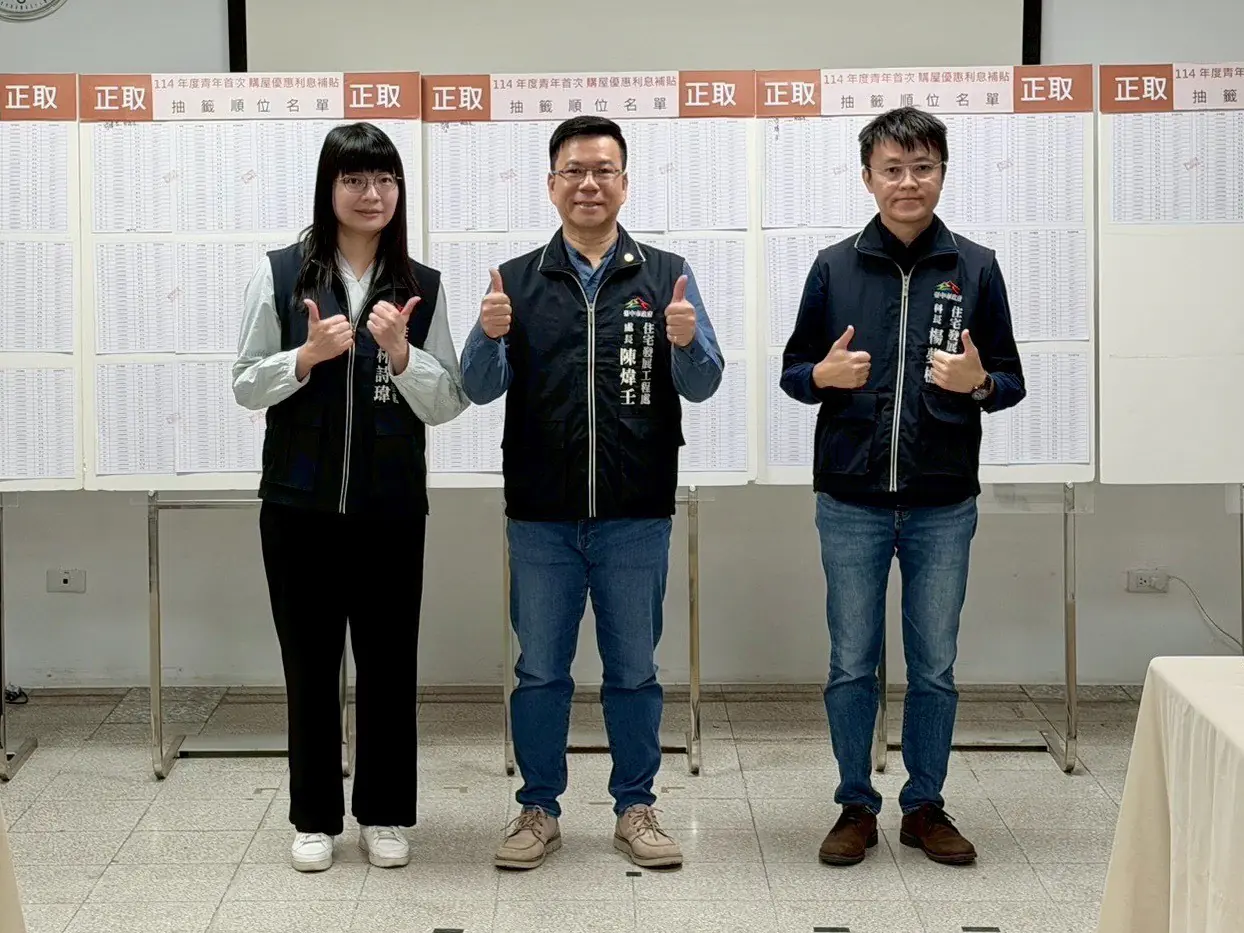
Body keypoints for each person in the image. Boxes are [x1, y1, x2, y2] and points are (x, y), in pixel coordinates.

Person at [459, 115, 724, 871]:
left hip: (635, 512)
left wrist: (686, 341)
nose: (588, 184)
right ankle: (538, 809)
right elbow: (478, 387)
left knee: (633, 669)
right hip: (540, 513)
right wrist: (487, 334)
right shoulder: (514, 280)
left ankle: (635, 807)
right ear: (551, 185)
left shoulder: (667, 274)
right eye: (573, 171)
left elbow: (704, 383)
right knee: (541, 670)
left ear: (624, 184)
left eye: (603, 170)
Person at [779, 107, 1025, 867]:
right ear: (868, 178)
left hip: (942, 501)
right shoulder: (834, 267)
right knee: (852, 661)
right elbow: (793, 373)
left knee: (934, 665)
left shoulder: (976, 267)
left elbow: (1010, 382)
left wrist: (977, 381)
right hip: (849, 498)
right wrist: (822, 376)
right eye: (892, 168)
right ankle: (855, 804)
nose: (907, 182)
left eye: (922, 167)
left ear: (942, 174)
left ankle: (924, 805)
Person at [233, 122, 468, 873]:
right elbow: (245, 384)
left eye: (385, 179)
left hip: (390, 508)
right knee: (309, 665)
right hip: (297, 507)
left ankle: (386, 813)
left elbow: (448, 399)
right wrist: (305, 356)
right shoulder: (281, 273)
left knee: (389, 665)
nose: (373, 194)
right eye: (355, 179)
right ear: (329, 188)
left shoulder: (421, 283)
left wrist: (400, 353)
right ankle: (314, 818)